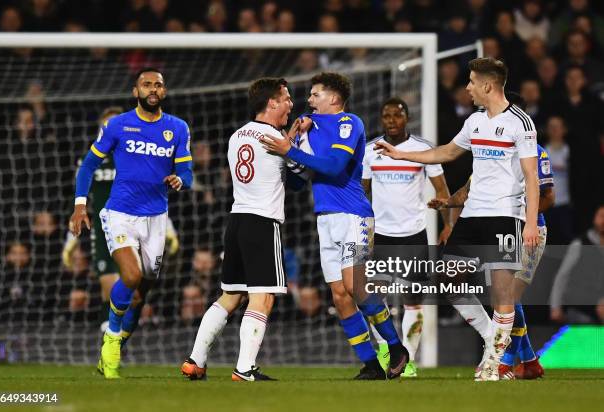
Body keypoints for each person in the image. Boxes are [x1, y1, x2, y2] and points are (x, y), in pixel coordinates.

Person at [376, 57, 540, 381]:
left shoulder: (520, 123)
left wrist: (531, 223)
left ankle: (493, 364)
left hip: (504, 215)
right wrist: (402, 154)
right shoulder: (475, 122)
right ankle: (489, 344)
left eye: (471, 81)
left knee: (502, 294)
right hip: (473, 213)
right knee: (449, 280)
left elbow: (532, 177)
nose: (467, 87)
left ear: (487, 85)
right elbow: (447, 152)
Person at [262, 72, 409, 380]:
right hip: (325, 219)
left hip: (354, 216)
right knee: (339, 296)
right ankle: (370, 364)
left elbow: (334, 166)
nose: (309, 100)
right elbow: (299, 182)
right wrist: (290, 143)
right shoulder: (306, 127)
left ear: (333, 98)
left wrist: (291, 150)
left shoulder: (349, 123)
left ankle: (396, 347)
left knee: (355, 286)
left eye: (315, 94)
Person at [69, 67, 193, 379]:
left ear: (164, 92)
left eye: (159, 85)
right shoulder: (117, 125)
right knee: (132, 274)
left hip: (156, 218)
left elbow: (187, 172)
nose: (153, 89)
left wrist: (181, 180)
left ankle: (120, 340)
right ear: (135, 91)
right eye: (147, 84)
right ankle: (111, 339)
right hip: (120, 213)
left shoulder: (178, 128)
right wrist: (79, 206)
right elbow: (88, 166)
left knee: (141, 292)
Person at [181, 77, 299, 382]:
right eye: (286, 98)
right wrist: (295, 145)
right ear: (271, 102)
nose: (290, 104)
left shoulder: (237, 135)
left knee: (230, 295)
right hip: (262, 222)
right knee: (264, 297)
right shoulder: (275, 137)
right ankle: (245, 368)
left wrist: (290, 138)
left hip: (236, 220)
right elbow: (301, 172)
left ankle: (195, 360)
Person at [430, 141, 555, 380]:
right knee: (475, 287)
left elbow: (548, 197)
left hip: (528, 230)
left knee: (507, 294)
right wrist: (448, 205)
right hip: (493, 229)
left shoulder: (535, 153)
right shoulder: (490, 150)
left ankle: (503, 361)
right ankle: (528, 360)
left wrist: (520, 214)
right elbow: (470, 190)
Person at [63, 106, 180, 336]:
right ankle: (110, 343)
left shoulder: (140, 157)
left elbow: (155, 195)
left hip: (137, 226)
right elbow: (82, 200)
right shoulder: (90, 160)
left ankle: (122, 336)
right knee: (109, 288)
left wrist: (168, 227)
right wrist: (71, 238)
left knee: (134, 294)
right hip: (103, 227)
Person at [362, 96, 452, 377]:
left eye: (397, 115)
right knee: (375, 299)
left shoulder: (424, 150)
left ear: (407, 118)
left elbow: (443, 191)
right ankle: (388, 353)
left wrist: (447, 223)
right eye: (386, 116)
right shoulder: (369, 151)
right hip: (381, 236)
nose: (391, 121)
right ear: (381, 120)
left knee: (413, 300)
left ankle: (408, 360)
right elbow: (362, 193)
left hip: (413, 234)